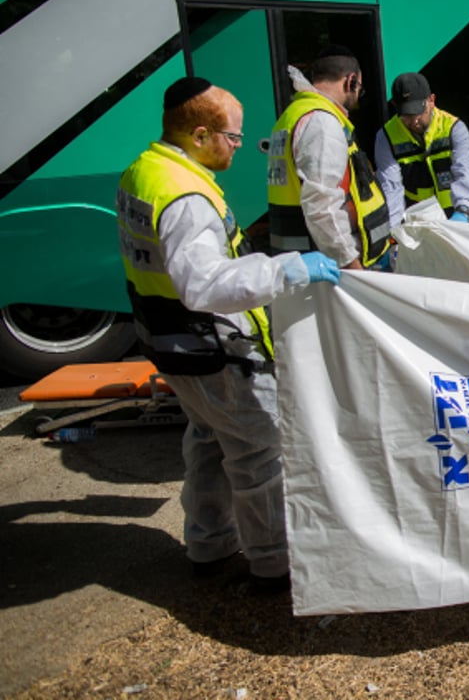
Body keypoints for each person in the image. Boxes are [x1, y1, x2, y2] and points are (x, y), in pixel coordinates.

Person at [116, 77, 341, 592]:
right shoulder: (186, 197)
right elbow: (203, 283)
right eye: (233, 138)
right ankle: (272, 565)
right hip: (210, 347)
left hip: (167, 340)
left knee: (208, 442)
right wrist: (287, 270)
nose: (238, 147)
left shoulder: (144, 172)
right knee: (260, 450)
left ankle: (209, 543)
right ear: (199, 135)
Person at [267, 45, 391, 269]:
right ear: (350, 81)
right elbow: (322, 206)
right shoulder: (322, 123)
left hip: (308, 260)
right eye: (359, 89)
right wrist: (351, 264)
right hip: (331, 267)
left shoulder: (292, 115)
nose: (357, 97)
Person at [374, 72, 469, 228]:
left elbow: (464, 172)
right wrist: (393, 232)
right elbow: (391, 188)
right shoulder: (386, 137)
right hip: (417, 222)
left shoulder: (454, 128)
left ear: (431, 101)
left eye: (418, 112)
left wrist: (462, 211)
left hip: (457, 215)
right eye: (407, 115)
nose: (414, 121)